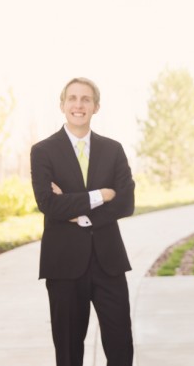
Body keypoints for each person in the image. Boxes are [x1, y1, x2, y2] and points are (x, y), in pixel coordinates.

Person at [31, 77, 136, 366]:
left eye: (86, 99)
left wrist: (78, 212)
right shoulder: (43, 151)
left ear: (96, 106)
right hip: (63, 264)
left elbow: (126, 202)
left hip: (109, 263)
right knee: (67, 350)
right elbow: (49, 204)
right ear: (62, 105)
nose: (79, 105)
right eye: (73, 99)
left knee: (121, 346)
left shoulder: (113, 150)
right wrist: (101, 195)